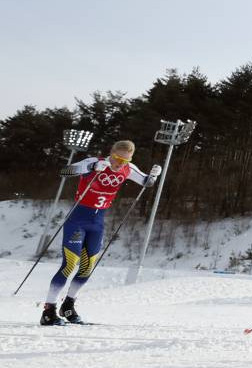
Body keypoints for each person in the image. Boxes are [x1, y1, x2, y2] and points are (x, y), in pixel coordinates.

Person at [40, 139, 161, 326]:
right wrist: (94, 167)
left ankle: (69, 306)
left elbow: (147, 182)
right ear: (110, 153)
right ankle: (49, 311)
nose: (119, 163)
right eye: (116, 158)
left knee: (88, 267)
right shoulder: (93, 162)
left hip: (97, 224)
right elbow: (65, 171)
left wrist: (154, 176)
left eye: (124, 160)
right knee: (70, 264)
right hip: (77, 221)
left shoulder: (128, 169)